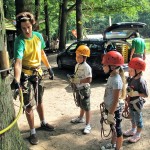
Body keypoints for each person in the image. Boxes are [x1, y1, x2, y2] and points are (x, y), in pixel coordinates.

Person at [11, 12, 55, 145]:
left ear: (33, 25)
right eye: (23, 28)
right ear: (20, 28)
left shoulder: (38, 36)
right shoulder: (20, 41)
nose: (26, 30)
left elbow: (42, 53)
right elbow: (18, 62)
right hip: (25, 75)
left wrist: (49, 68)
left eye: (28, 27)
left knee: (40, 100)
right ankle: (32, 132)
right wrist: (17, 79)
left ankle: (43, 122)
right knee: (29, 105)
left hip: (38, 73)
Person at [101, 51, 126, 150]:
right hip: (110, 108)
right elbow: (110, 95)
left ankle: (118, 148)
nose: (103, 67)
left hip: (114, 110)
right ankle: (113, 144)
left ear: (112, 67)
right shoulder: (111, 77)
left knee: (118, 130)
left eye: (104, 65)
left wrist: (111, 114)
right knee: (113, 128)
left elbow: (116, 100)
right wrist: (106, 102)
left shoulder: (116, 80)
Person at [123, 57, 148, 143]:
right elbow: (128, 87)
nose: (129, 72)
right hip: (130, 102)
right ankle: (133, 129)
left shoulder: (141, 81)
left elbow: (146, 94)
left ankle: (138, 133)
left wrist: (137, 93)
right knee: (132, 117)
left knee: (138, 118)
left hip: (137, 103)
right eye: (129, 70)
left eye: (131, 70)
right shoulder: (132, 78)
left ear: (138, 70)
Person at [70, 45, 92, 134]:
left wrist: (79, 80)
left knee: (86, 107)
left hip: (84, 89)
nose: (77, 58)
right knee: (81, 104)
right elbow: (76, 76)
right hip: (79, 89)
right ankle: (80, 118)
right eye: (76, 56)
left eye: (79, 57)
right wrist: (73, 81)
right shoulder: (77, 65)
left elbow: (89, 79)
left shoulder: (87, 67)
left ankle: (88, 125)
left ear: (85, 57)